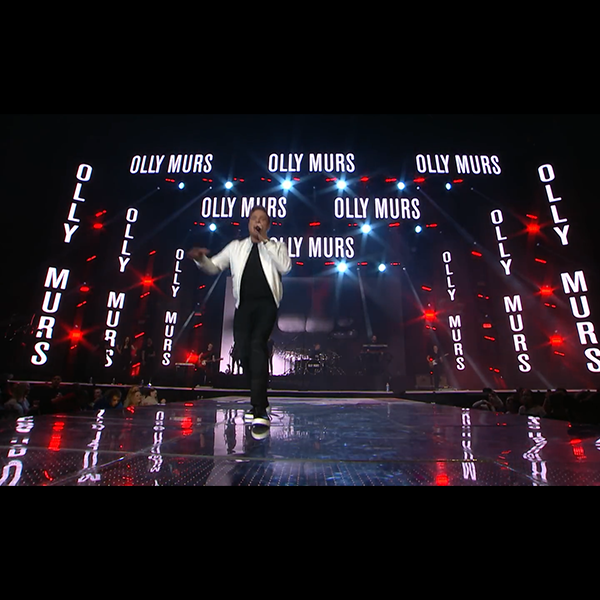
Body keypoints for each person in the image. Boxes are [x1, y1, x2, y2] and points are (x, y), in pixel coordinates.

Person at [187, 205, 291, 431]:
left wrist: (265, 241)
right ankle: (257, 401)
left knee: (257, 345)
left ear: (267, 225)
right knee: (242, 351)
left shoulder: (276, 246)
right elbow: (214, 266)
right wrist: (201, 259)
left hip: (267, 304)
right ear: (248, 223)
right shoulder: (236, 247)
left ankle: (259, 409)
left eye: (262, 219)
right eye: (254, 218)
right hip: (244, 306)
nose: (258, 222)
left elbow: (285, 267)